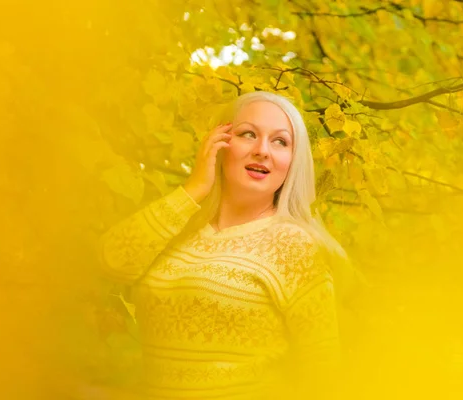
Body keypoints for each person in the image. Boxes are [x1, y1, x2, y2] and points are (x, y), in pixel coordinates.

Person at [99, 91, 350, 399]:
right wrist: (193, 189)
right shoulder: (180, 226)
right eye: (248, 134)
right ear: (218, 143)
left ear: (293, 162)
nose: (262, 151)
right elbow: (112, 261)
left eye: (280, 141)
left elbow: (323, 371)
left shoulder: (294, 245)